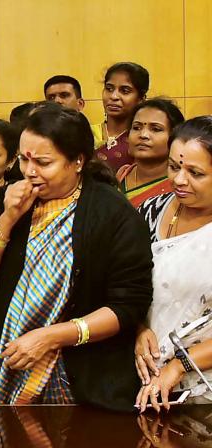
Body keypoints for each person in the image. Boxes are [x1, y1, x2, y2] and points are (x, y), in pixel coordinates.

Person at [0, 104, 153, 411]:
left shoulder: (114, 213)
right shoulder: (15, 196)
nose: (30, 171)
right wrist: (8, 217)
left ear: (77, 161)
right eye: (24, 159)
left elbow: (128, 306)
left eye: (44, 162)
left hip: (85, 380)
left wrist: (51, 337)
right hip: (11, 363)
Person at [134, 116, 212, 411]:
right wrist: (138, 329)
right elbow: (127, 285)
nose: (179, 180)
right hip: (147, 377)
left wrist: (180, 365)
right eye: (174, 167)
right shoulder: (151, 210)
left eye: (195, 172)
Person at [117, 98, 185, 207]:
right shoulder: (121, 174)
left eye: (156, 129)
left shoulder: (180, 185)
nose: (143, 135)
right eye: (136, 127)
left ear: (175, 137)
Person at [91, 62, 150, 171]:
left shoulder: (144, 140)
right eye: (109, 89)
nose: (114, 96)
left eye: (125, 91)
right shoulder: (87, 133)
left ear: (141, 99)